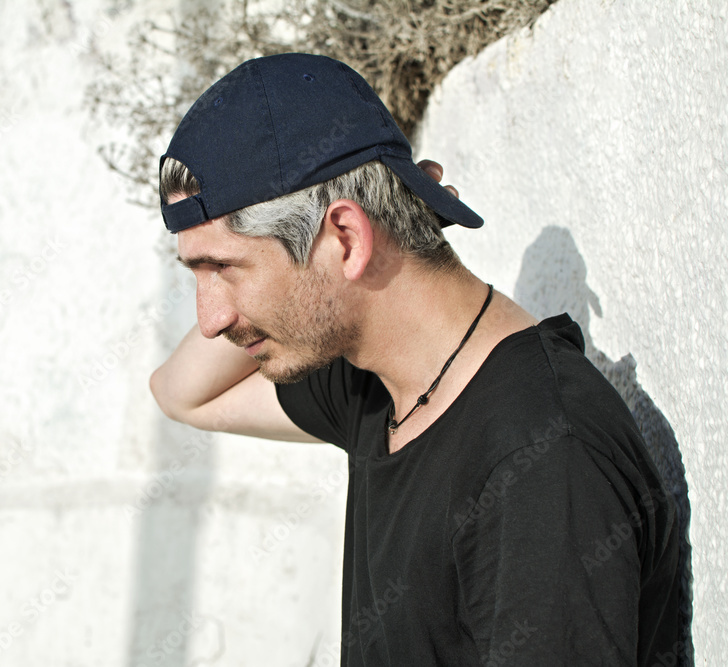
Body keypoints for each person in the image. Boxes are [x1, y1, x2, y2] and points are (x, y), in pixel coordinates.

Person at [149, 53, 681, 666]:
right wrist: (392, 224)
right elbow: (180, 393)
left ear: (345, 238)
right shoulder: (375, 392)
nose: (210, 319)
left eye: (223, 268)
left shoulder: (540, 459)